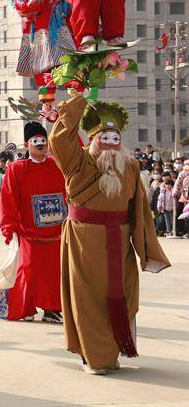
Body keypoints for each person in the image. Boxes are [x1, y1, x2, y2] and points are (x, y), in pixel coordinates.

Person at [50, 94, 170, 374]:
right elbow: (59, 140)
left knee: (122, 296)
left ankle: (111, 350)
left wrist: (147, 250)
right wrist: (76, 101)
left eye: (116, 138)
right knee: (88, 299)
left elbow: (139, 210)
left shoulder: (130, 165)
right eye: (105, 137)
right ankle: (94, 357)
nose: (111, 144)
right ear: (92, 139)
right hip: (84, 241)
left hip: (120, 240)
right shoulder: (77, 162)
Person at [0, 122, 66, 323]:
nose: (40, 144)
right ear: (27, 144)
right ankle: (25, 307)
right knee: (29, 270)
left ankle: (52, 309)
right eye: (35, 141)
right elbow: (8, 197)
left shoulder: (57, 165)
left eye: (43, 141)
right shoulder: (17, 169)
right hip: (29, 232)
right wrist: (9, 226)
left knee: (55, 273)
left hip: (57, 232)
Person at [13, 0, 74, 114]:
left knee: (70, 60)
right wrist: (37, 0)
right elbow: (21, 7)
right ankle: (47, 106)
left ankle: (76, 92)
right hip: (39, 30)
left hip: (59, 27)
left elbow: (66, 3)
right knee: (43, 67)